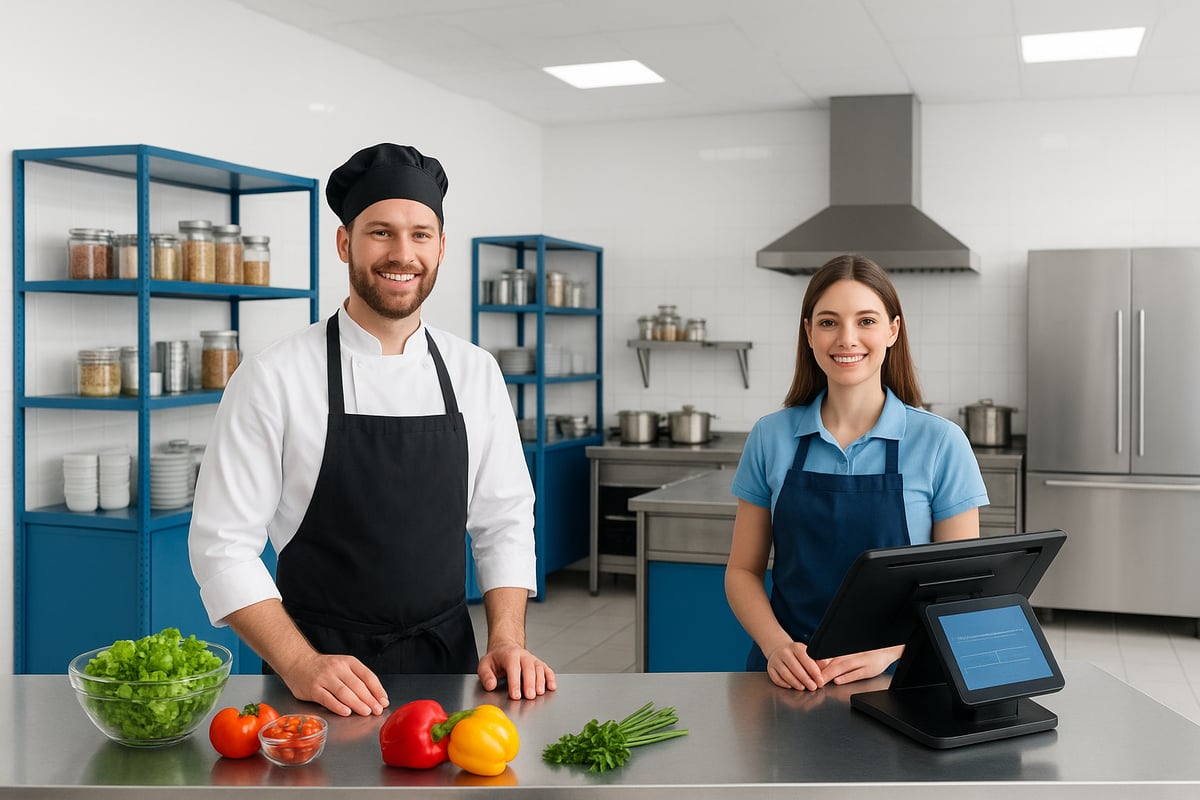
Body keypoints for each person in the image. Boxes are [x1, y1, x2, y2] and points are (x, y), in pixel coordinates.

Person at [189, 142, 555, 717]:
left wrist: (507, 640)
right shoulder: (273, 375)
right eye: (380, 232)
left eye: (421, 234)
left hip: (449, 666)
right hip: (315, 678)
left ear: (440, 247)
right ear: (345, 243)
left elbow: (503, 520)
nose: (402, 253)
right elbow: (222, 548)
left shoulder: (475, 370)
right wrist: (300, 663)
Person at [725, 254, 987, 693]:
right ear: (808, 332)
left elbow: (960, 592)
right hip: (790, 678)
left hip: (903, 682)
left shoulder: (940, 442)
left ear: (892, 330)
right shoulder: (770, 437)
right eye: (828, 322)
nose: (847, 339)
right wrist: (776, 646)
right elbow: (742, 571)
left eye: (866, 321)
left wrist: (891, 651)